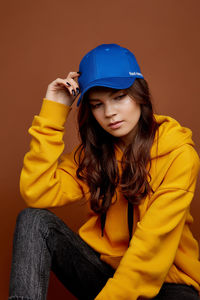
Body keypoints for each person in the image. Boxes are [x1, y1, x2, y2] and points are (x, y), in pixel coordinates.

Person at [8, 43, 200, 300]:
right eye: (98, 104)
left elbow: (151, 246)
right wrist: (54, 111)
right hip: (103, 273)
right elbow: (37, 192)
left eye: (119, 97)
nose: (110, 113)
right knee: (33, 220)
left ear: (140, 95)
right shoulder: (96, 155)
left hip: (167, 281)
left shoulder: (179, 155)